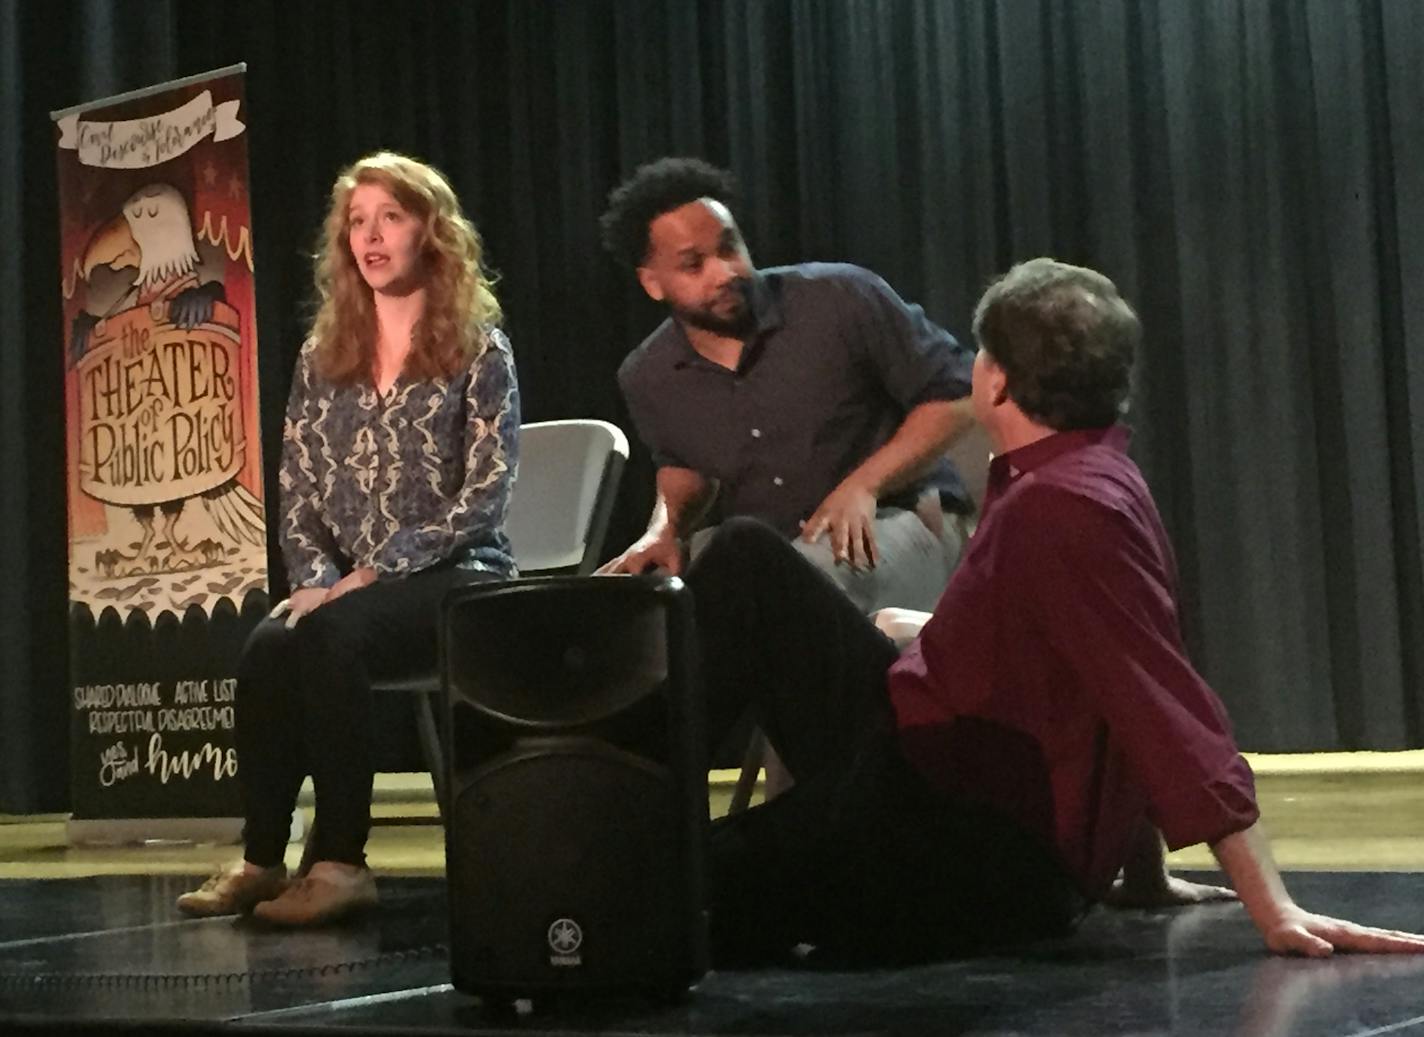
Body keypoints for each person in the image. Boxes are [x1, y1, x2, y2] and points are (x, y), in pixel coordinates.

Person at [684, 258, 1424, 964]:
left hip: (963, 847)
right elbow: (1088, 680)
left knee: (678, 891)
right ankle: (616, 793)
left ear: (997, 382)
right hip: (925, 757)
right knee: (749, 558)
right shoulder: (1072, 476)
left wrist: (1273, 906)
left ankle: (623, 823)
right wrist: (1140, 871)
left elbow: (1153, 697)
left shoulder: (1064, 506)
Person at [176, 152, 519, 926]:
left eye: (391, 217)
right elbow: (296, 484)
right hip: (345, 588)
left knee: (329, 633)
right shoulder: (320, 355)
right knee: (271, 642)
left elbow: (485, 496)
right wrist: (314, 574)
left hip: (459, 572)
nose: (371, 235)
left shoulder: (478, 348)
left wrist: (376, 571)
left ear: (430, 232)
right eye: (357, 221)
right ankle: (264, 857)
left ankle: (340, 861)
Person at [597, 157, 977, 614]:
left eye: (729, 247)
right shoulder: (648, 375)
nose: (724, 272)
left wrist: (864, 485)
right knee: (649, 615)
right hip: (774, 546)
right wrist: (664, 528)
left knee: (789, 598)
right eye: (694, 264)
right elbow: (683, 466)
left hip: (895, 518)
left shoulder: (839, 297)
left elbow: (955, 394)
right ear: (652, 283)